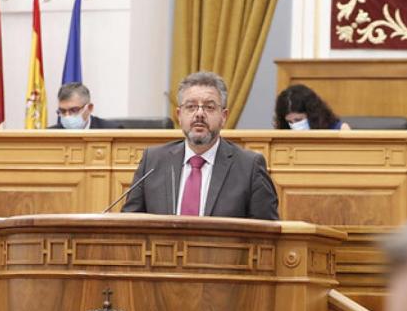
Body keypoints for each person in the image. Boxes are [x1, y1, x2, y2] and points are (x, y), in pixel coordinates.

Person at [121, 71, 278, 219]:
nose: (199, 114)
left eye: (209, 107)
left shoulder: (249, 166)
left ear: (224, 117)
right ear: (179, 116)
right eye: (191, 107)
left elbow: (266, 233)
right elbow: (129, 224)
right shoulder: (153, 161)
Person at [47, 82, 123, 129]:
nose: (67, 116)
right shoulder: (49, 136)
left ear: (89, 108)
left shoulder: (113, 131)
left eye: (74, 110)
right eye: (62, 111)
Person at [273, 84, 350, 130]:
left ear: (312, 114)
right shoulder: (282, 136)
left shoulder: (340, 130)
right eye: (290, 122)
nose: (295, 126)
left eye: (298, 120)